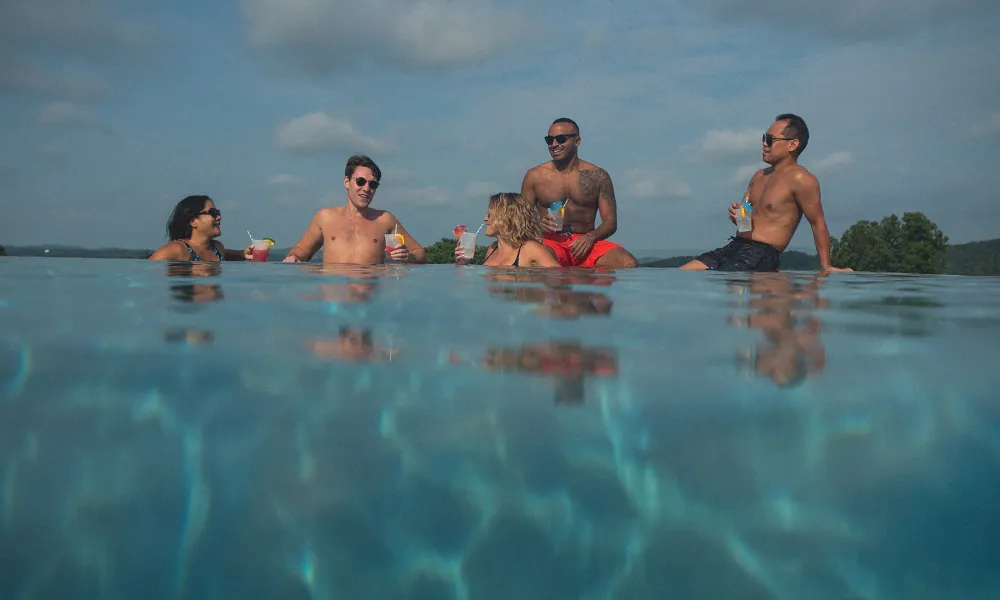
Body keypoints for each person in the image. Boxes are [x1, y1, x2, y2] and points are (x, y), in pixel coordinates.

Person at [680, 114, 853, 273]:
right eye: (764, 138)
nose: (764, 143)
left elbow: (817, 223)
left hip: (760, 254)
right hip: (733, 247)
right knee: (683, 274)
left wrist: (826, 266)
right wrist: (738, 216)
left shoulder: (802, 179)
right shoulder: (758, 177)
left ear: (792, 144)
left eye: (770, 139)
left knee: (727, 287)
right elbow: (744, 224)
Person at [520, 118, 638, 268]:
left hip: (586, 243)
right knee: (538, 258)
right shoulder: (534, 176)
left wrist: (590, 237)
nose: (554, 144)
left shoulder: (598, 176)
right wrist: (538, 223)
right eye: (549, 140)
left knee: (628, 263)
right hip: (549, 242)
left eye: (561, 139)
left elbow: (610, 223)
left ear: (577, 141)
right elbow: (520, 219)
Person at [283, 155, 425, 265]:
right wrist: (294, 257)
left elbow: (419, 252)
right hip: (334, 294)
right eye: (360, 181)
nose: (366, 189)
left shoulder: (385, 219)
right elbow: (301, 250)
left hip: (369, 297)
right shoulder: (325, 217)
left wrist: (408, 256)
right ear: (347, 182)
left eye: (373, 184)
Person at [455, 192, 561, 268]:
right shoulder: (492, 249)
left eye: (490, 214)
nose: (485, 218)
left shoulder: (530, 249)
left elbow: (559, 280)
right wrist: (464, 264)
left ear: (508, 217)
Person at [148, 195, 251, 262]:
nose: (219, 217)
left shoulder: (217, 248)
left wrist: (243, 253)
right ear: (193, 221)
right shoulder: (178, 249)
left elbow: (228, 254)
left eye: (218, 212)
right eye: (212, 213)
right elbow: (147, 271)